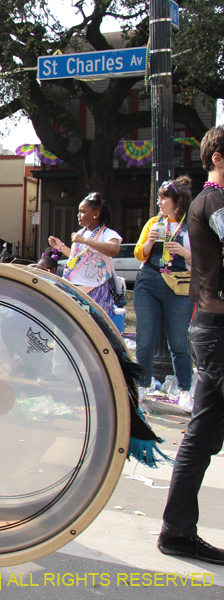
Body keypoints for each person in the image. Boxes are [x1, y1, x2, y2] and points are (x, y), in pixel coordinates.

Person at [157, 126, 224, 565]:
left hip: (211, 327)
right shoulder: (214, 201)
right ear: (218, 158)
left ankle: (177, 531)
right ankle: (176, 531)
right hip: (218, 330)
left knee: (200, 437)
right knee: (200, 437)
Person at [133, 176, 194, 399]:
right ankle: (142, 385)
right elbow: (139, 253)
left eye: (163, 198)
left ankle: (184, 389)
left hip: (178, 286)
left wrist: (185, 252)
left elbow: (205, 258)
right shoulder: (154, 222)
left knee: (178, 342)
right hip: (149, 281)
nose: (159, 202)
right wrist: (149, 241)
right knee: (145, 339)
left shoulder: (191, 225)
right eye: (158, 198)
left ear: (177, 201)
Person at [48, 192, 121, 318]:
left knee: (93, 329)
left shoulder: (106, 233)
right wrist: (60, 247)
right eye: (79, 211)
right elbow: (78, 258)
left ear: (96, 214)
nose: (78, 215)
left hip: (95, 289)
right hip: (75, 287)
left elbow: (114, 250)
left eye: (83, 212)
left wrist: (84, 241)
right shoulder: (82, 233)